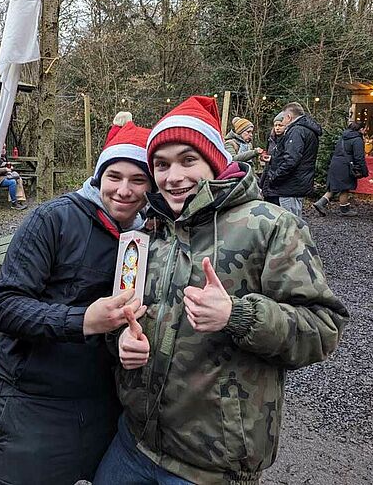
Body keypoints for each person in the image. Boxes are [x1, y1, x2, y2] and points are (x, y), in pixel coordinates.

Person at [95, 96, 349, 484]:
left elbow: (322, 328)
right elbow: (126, 313)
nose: (173, 176)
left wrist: (238, 315)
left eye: (187, 160)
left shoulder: (269, 225)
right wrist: (121, 340)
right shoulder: (150, 229)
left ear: (214, 161)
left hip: (213, 464)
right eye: (161, 165)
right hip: (136, 442)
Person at [0, 122, 152, 485]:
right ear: (99, 175)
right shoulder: (53, 219)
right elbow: (5, 306)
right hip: (34, 402)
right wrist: (84, 320)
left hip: (104, 402)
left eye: (138, 180)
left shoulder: (149, 235)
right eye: (115, 176)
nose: (124, 190)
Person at [266, 102, 322, 218]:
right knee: (294, 220)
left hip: (290, 185)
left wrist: (275, 176)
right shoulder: (307, 130)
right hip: (297, 183)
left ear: (289, 117)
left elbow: (291, 160)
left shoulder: (296, 131)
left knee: (289, 222)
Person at [313, 121, 369, 217]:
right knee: (345, 187)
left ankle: (321, 203)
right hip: (346, 165)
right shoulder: (357, 139)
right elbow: (359, 157)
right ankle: (344, 209)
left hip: (335, 163)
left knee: (334, 186)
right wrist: (364, 171)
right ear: (361, 129)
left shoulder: (343, 137)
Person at [0, 143, 27, 210]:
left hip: (4, 176)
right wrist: (5, 169)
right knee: (12, 182)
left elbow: (6, 166)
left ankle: (19, 199)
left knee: (18, 179)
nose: (4, 150)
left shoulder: (3, 157)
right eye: (2, 148)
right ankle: (14, 203)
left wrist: (9, 167)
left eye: (5, 148)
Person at [260, 111, 286, 204]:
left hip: (279, 178)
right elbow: (267, 151)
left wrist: (272, 159)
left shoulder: (287, 139)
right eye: (275, 125)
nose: (277, 128)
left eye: (280, 125)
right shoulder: (271, 139)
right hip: (268, 175)